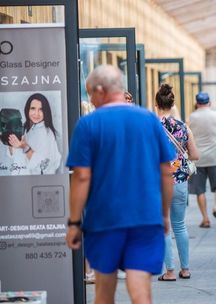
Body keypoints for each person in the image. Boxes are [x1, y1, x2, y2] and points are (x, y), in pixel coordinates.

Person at [65, 65, 175, 304]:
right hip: (146, 217)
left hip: (105, 220)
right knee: (141, 292)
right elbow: (166, 173)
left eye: (90, 94)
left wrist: (74, 222)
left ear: (101, 90)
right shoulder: (148, 120)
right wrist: (164, 214)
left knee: (104, 292)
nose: (91, 100)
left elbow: (81, 177)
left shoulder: (88, 125)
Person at [155, 84, 200, 281]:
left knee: (164, 225)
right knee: (180, 225)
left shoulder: (151, 127)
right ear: (173, 104)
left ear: (156, 104)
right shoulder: (183, 127)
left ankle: (170, 271)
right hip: (180, 180)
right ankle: (186, 269)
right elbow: (196, 155)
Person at [188, 91, 216, 228]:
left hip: (198, 158)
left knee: (200, 190)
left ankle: (205, 219)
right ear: (209, 102)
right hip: (215, 157)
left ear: (197, 103)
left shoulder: (191, 117)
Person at [7, 93, 61, 175]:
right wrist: (10, 139)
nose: (36, 113)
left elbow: (43, 166)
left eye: (41, 109)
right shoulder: (24, 128)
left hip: (34, 183)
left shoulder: (46, 133)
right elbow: (14, 155)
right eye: (33, 108)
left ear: (45, 112)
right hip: (17, 181)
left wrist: (25, 147)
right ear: (27, 109)